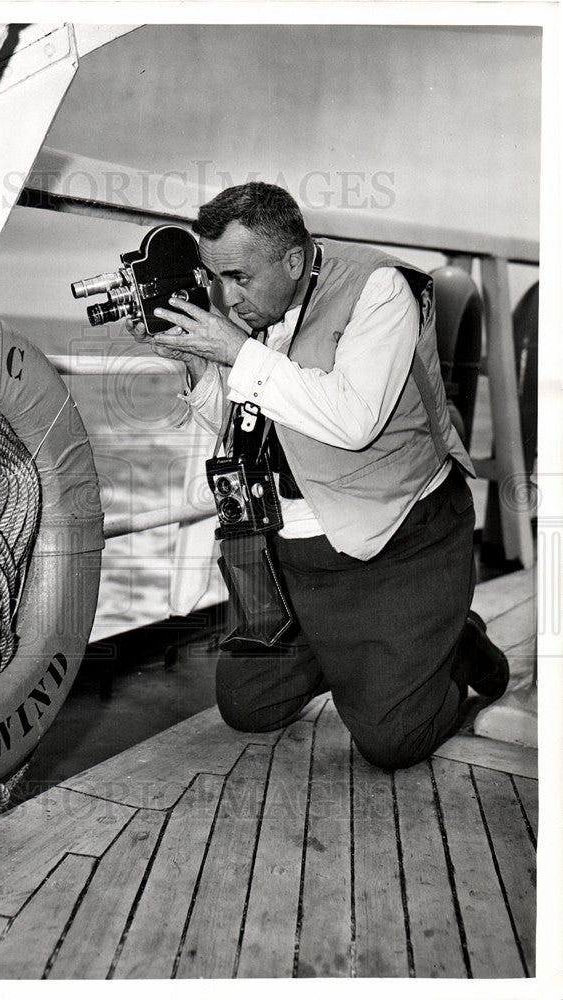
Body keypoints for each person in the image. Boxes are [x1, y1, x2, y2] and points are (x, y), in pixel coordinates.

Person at [129, 182, 509, 770]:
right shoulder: (258, 309)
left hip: (396, 543)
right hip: (298, 556)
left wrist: (238, 353)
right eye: (215, 278)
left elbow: (352, 420)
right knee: (246, 704)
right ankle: (370, 656)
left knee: (391, 742)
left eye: (239, 278)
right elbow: (239, 425)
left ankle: (451, 640)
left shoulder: (380, 289)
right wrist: (201, 363)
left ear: (295, 259)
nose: (226, 299)